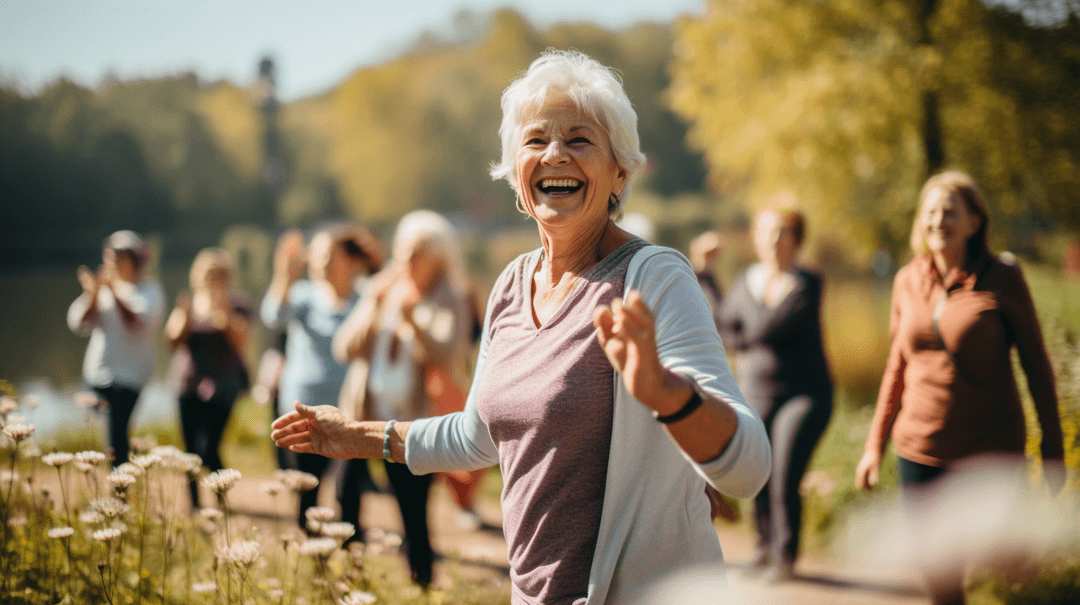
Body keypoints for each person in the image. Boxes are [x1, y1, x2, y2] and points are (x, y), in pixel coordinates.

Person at [272, 50, 770, 604]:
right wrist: (358, 436)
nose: (555, 153)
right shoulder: (512, 283)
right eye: (536, 141)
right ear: (517, 175)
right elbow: (476, 437)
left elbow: (748, 470)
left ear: (619, 172)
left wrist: (666, 394)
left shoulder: (653, 277)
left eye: (580, 140)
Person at [854, 171, 1065, 605]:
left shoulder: (1003, 276)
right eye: (930, 211)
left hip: (989, 450)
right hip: (919, 447)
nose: (938, 220)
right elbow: (896, 366)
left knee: (1012, 570)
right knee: (940, 578)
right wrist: (874, 445)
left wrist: (1052, 445)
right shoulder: (907, 280)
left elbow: (1036, 365)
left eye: (950, 211)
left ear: (975, 221)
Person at [332, 209, 472, 585]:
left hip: (415, 425)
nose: (406, 261)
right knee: (345, 495)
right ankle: (348, 575)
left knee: (413, 510)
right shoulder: (384, 287)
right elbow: (344, 347)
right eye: (403, 251)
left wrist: (412, 321)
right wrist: (375, 308)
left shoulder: (450, 296)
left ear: (438, 256)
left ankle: (422, 582)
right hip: (363, 416)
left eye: (416, 253)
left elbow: (448, 356)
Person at [717, 207, 833, 582]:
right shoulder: (745, 279)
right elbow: (722, 326)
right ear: (756, 236)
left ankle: (784, 557)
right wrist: (703, 275)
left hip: (803, 396)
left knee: (783, 470)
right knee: (758, 471)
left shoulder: (807, 282)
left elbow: (764, 329)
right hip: (755, 393)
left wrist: (742, 338)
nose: (773, 240)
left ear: (796, 239)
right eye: (767, 231)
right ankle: (763, 550)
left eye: (782, 232)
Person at [260, 224, 384, 530]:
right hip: (304, 409)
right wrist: (284, 276)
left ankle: (352, 555)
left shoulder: (365, 298)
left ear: (351, 263)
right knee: (307, 490)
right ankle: (312, 559)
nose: (318, 263)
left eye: (327, 256)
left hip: (351, 413)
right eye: (315, 257)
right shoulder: (303, 296)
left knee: (348, 491)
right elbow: (273, 316)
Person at [67, 230, 166, 467]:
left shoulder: (150, 290)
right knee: (113, 429)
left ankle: (119, 486)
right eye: (111, 259)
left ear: (136, 262)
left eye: (120, 259)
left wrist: (111, 291)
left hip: (130, 377)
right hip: (98, 374)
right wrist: (93, 294)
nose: (114, 265)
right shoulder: (101, 290)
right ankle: (122, 476)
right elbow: (78, 323)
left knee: (115, 430)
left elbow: (137, 324)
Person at [165, 248, 251, 509]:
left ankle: (221, 500)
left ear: (226, 277)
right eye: (207, 274)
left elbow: (241, 342)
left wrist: (224, 315)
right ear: (196, 276)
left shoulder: (238, 304)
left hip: (224, 385)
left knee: (210, 446)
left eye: (217, 274)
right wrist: (186, 315)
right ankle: (194, 506)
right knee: (190, 450)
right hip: (188, 384)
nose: (211, 279)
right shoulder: (188, 303)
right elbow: (171, 341)